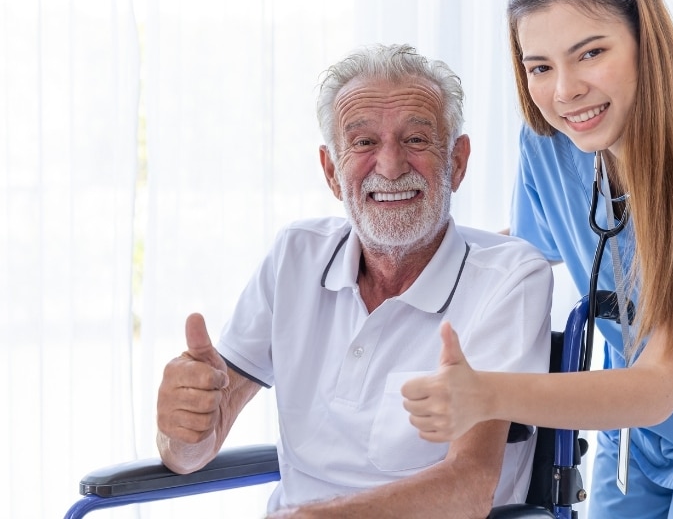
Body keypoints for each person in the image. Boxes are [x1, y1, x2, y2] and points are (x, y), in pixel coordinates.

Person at [402, 0, 673, 519]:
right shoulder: (549, 147)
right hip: (629, 431)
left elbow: (661, 384)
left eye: (590, 53)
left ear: (647, 44)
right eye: (540, 66)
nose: (564, 92)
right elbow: (523, 254)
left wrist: (484, 395)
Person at [155, 43, 553, 518]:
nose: (390, 166)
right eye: (364, 143)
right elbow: (194, 451)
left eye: (417, 140)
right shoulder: (295, 256)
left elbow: (471, 486)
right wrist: (181, 433)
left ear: (458, 163)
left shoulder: (510, 277)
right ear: (331, 171)